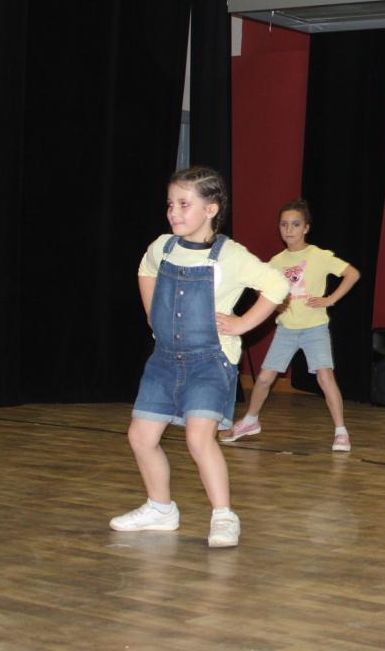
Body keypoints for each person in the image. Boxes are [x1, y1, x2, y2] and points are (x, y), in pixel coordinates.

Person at [110, 166, 289, 548]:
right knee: (140, 437)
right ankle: (160, 508)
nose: (173, 212)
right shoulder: (163, 247)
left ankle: (223, 515)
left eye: (184, 204)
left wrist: (243, 323)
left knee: (198, 438)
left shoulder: (231, 256)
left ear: (211, 209)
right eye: (170, 204)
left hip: (210, 361)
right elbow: (145, 269)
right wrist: (152, 314)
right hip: (164, 359)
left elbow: (277, 284)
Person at [222, 198, 361, 451]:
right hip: (286, 329)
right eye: (284, 224)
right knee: (264, 378)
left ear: (306, 228)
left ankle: (341, 431)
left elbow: (352, 274)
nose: (289, 229)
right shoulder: (275, 262)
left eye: (295, 224)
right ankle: (250, 421)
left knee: (325, 376)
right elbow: (261, 287)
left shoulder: (318, 255)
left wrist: (330, 299)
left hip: (314, 328)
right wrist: (274, 305)